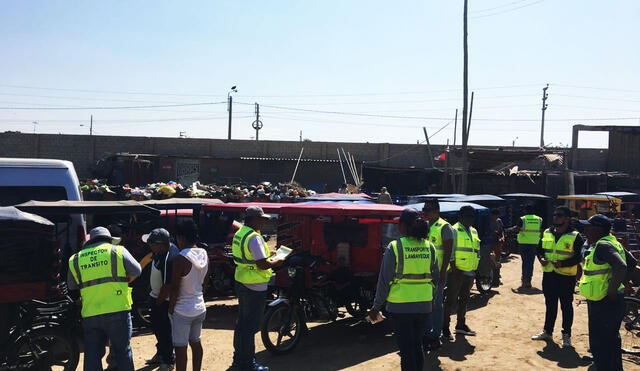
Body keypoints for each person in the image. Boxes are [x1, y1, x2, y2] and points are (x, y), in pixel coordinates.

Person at [369, 208, 439, 371]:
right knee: (417, 345)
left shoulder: (394, 247)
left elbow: (384, 281)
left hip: (400, 307)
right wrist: (432, 302)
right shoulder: (430, 247)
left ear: (403, 226)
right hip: (424, 306)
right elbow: (436, 279)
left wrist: (376, 307)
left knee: (407, 350)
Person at [67, 227, 141, 371]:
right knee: (122, 351)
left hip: (91, 313)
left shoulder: (76, 258)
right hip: (118, 310)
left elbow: (71, 285)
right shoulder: (117, 251)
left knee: (92, 355)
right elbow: (137, 270)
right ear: (109, 239)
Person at [579, 214, 637, 371]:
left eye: (588, 227)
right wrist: (624, 282)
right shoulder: (611, 242)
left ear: (598, 229)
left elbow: (621, 266)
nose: (585, 230)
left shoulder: (603, 246)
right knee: (611, 339)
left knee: (600, 340)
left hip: (605, 300)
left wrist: (611, 290)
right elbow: (632, 262)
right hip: (609, 299)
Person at [231, 206, 284, 371]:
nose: (263, 222)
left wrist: (269, 255)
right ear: (253, 219)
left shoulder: (240, 233)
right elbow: (262, 264)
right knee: (250, 327)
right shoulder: (254, 237)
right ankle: (247, 364)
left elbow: (251, 257)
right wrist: (278, 261)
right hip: (254, 286)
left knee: (242, 325)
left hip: (242, 281)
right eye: (261, 219)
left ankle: (239, 360)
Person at [530, 206, 584, 348]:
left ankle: (566, 335)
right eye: (554, 215)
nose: (555, 217)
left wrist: (563, 263)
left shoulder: (575, 236)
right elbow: (539, 249)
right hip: (549, 275)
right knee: (550, 304)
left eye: (559, 215)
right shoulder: (547, 232)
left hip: (566, 277)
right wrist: (541, 258)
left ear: (567, 218)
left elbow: (579, 256)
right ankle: (547, 331)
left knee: (566, 306)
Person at [169, 220, 209, 371]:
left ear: (181, 237)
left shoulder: (180, 258)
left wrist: (171, 308)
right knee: (196, 343)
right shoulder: (204, 253)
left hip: (182, 310)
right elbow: (205, 283)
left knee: (180, 349)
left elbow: (174, 287)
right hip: (200, 306)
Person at [144, 228, 180, 370]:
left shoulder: (169, 257)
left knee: (164, 330)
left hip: (163, 300)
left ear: (161, 244)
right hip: (155, 295)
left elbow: (168, 285)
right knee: (157, 328)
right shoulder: (159, 252)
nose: (150, 246)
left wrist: (159, 301)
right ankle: (161, 353)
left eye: (152, 243)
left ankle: (168, 360)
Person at [443, 206, 481, 341]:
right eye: (468, 216)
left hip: (470, 272)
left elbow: (476, 251)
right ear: (461, 216)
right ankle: (445, 328)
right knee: (450, 301)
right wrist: (454, 268)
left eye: (472, 216)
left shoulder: (474, 231)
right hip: (457, 272)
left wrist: (475, 268)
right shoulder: (454, 230)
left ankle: (460, 324)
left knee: (464, 300)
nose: (471, 219)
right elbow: (450, 251)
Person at [422, 199, 454, 350]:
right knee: (428, 304)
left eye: (427, 210)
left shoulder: (444, 226)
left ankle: (436, 336)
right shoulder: (427, 226)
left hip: (438, 273)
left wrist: (442, 272)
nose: (425, 213)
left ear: (436, 211)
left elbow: (448, 251)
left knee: (436, 305)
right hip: (426, 273)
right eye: (424, 210)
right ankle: (428, 333)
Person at [516, 204, 543, 289]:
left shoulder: (522, 219)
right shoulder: (539, 219)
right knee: (530, 262)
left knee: (525, 262)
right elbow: (541, 230)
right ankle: (528, 281)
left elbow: (517, 229)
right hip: (534, 243)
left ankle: (524, 280)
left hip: (523, 243)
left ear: (525, 210)